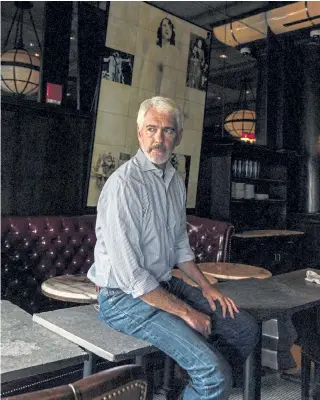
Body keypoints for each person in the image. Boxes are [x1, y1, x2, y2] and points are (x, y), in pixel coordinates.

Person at [87, 96, 259, 400]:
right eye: (151, 129)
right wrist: (187, 313)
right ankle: (204, 379)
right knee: (215, 375)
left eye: (167, 130)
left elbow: (180, 246)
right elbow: (132, 278)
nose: (159, 138)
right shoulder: (124, 186)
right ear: (140, 133)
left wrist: (206, 288)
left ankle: (191, 384)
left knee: (244, 327)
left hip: (163, 284)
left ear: (177, 137)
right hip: (122, 299)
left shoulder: (174, 181)